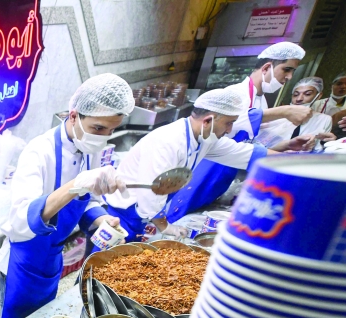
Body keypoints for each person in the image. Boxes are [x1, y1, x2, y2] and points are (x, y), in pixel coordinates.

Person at [0, 73, 132, 318]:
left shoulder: (92, 148)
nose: (103, 137)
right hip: (23, 261)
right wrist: (77, 183)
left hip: (52, 259)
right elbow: (23, 220)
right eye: (98, 129)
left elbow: (89, 201)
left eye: (111, 131)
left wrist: (103, 221)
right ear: (74, 116)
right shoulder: (38, 151)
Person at [164, 42, 312, 221]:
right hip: (203, 172)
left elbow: (251, 144)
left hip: (221, 177)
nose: (289, 77)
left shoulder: (261, 100)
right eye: (286, 69)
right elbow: (240, 120)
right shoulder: (234, 94)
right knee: (175, 217)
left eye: (292, 72)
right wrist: (285, 111)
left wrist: (285, 146)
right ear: (266, 67)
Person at [103, 88, 276, 239]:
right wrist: (166, 227)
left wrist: (294, 158)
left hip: (142, 214)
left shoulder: (204, 139)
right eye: (229, 123)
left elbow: (242, 152)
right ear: (208, 121)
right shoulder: (168, 142)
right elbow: (151, 194)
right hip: (122, 213)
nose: (230, 130)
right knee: (101, 265)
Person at [256, 77, 335, 148]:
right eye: (295, 94)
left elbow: (319, 148)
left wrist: (326, 143)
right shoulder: (279, 113)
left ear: (318, 96)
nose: (299, 99)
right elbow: (260, 141)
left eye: (307, 94)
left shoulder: (324, 120)